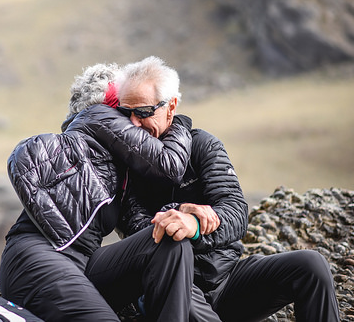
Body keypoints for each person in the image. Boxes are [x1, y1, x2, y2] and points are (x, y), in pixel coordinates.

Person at [116, 56, 340, 322]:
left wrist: (196, 226)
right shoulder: (124, 164)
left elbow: (235, 211)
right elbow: (137, 230)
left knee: (311, 266)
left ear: (171, 106)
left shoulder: (202, 146)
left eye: (143, 112)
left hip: (226, 279)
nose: (133, 123)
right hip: (169, 286)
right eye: (124, 112)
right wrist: (179, 214)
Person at [0, 63, 195, 321]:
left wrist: (186, 219)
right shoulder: (97, 116)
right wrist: (178, 119)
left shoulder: (117, 169)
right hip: (37, 256)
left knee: (167, 239)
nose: (134, 121)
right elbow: (170, 165)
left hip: (82, 264)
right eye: (126, 111)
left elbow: (142, 228)